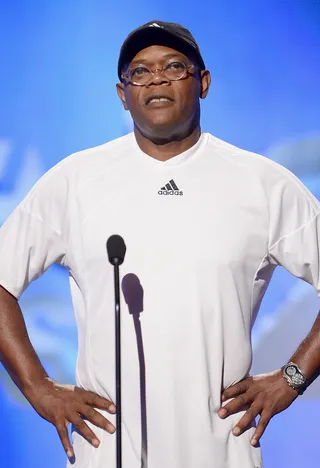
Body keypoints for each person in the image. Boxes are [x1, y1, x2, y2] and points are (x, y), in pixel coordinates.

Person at [0, 20, 319, 468]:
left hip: (220, 452)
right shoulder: (76, 180)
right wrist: (36, 386)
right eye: (140, 72)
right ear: (122, 94)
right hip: (108, 452)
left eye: (174, 67)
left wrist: (292, 378)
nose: (157, 81)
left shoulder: (264, 184)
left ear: (203, 83)